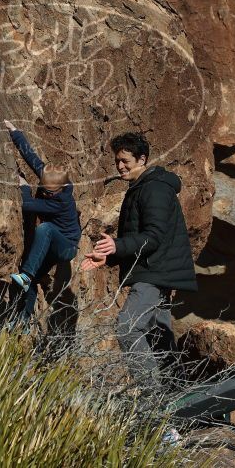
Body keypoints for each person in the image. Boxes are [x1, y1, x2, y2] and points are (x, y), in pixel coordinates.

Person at [82, 132, 197, 386]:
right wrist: (110, 256)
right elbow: (140, 238)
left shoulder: (154, 189)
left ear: (142, 159)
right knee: (159, 337)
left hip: (154, 273)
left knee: (128, 327)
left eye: (125, 160)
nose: (120, 166)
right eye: (117, 161)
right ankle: (178, 392)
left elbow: (153, 237)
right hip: (154, 271)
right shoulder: (141, 188)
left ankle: (151, 396)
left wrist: (116, 245)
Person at [5, 120, 80, 324]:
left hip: (66, 246)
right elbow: (32, 158)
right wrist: (15, 132)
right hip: (52, 243)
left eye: (49, 192)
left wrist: (24, 188)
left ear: (60, 188)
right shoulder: (52, 180)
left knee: (45, 228)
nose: (45, 193)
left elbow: (27, 205)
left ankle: (26, 275)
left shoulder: (60, 201)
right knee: (33, 274)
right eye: (43, 189)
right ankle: (24, 320)